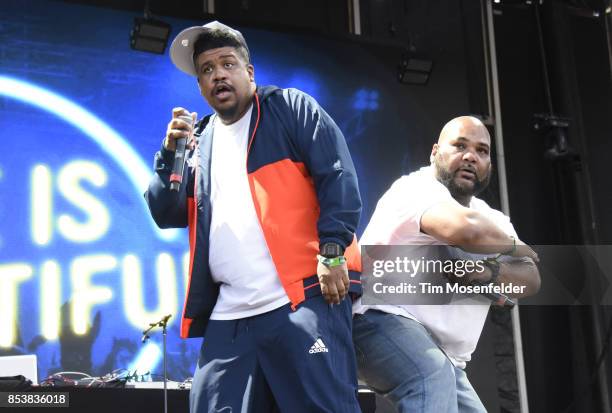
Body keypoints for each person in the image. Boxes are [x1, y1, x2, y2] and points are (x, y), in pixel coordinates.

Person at [144, 21, 363, 413]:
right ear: (199, 87)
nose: (217, 75)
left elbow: (338, 176)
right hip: (231, 316)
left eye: (227, 64)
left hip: (301, 299)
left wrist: (332, 251)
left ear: (249, 72)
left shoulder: (290, 108)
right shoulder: (201, 140)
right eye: (206, 70)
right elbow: (166, 212)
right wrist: (168, 155)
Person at [352, 116, 541, 412]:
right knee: (431, 376)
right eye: (460, 145)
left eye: (482, 151)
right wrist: (514, 246)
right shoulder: (414, 188)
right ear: (435, 152)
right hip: (376, 320)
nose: (470, 156)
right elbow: (466, 231)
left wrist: (487, 272)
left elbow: (531, 278)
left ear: (489, 164)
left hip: (446, 359)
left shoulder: (494, 218)